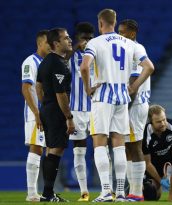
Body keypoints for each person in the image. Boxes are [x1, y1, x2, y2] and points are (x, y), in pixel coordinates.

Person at [80, 9, 154, 202]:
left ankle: (106, 191)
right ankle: (120, 192)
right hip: (122, 97)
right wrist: (133, 87)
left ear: (100, 23)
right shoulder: (131, 44)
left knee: (99, 142)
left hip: (103, 96)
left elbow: (84, 66)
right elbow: (149, 67)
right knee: (119, 144)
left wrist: (88, 88)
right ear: (115, 22)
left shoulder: (94, 43)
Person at [36, 28, 75, 202]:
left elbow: (38, 86)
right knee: (56, 150)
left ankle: (47, 193)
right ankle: (48, 193)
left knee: (51, 149)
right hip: (56, 111)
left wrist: (45, 104)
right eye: (66, 38)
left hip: (47, 108)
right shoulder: (58, 64)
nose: (70, 40)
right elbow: (61, 94)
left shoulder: (45, 61)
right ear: (56, 43)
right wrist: (69, 118)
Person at [117, 19, 151, 201]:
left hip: (134, 106)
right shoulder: (131, 50)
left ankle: (137, 192)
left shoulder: (134, 52)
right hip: (136, 105)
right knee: (129, 148)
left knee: (135, 146)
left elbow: (133, 84)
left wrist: (123, 108)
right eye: (118, 31)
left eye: (122, 32)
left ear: (132, 33)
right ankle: (133, 191)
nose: (119, 35)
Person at [21, 30, 51, 202]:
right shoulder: (30, 62)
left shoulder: (47, 62)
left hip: (48, 113)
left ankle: (44, 191)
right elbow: (26, 88)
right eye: (48, 43)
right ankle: (31, 193)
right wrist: (36, 112)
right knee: (36, 148)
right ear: (40, 43)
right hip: (36, 113)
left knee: (45, 150)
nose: (51, 46)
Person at [68, 22, 95, 202]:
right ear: (77, 39)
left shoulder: (99, 55)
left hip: (97, 107)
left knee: (103, 149)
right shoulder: (70, 57)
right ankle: (84, 192)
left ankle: (109, 190)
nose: (86, 42)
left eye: (89, 38)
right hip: (76, 110)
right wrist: (76, 48)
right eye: (83, 38)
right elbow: (58, 59)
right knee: (79, 151)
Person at [141, 105, 172, 200]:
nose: (163, 123)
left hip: (171, 164)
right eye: (159, 122)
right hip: (153, 166)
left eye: (164, 119)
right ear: (151, 122)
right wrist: (160, 181)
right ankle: (133, 188)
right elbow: (147, 163)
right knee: (150, 194)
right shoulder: (145, 134)